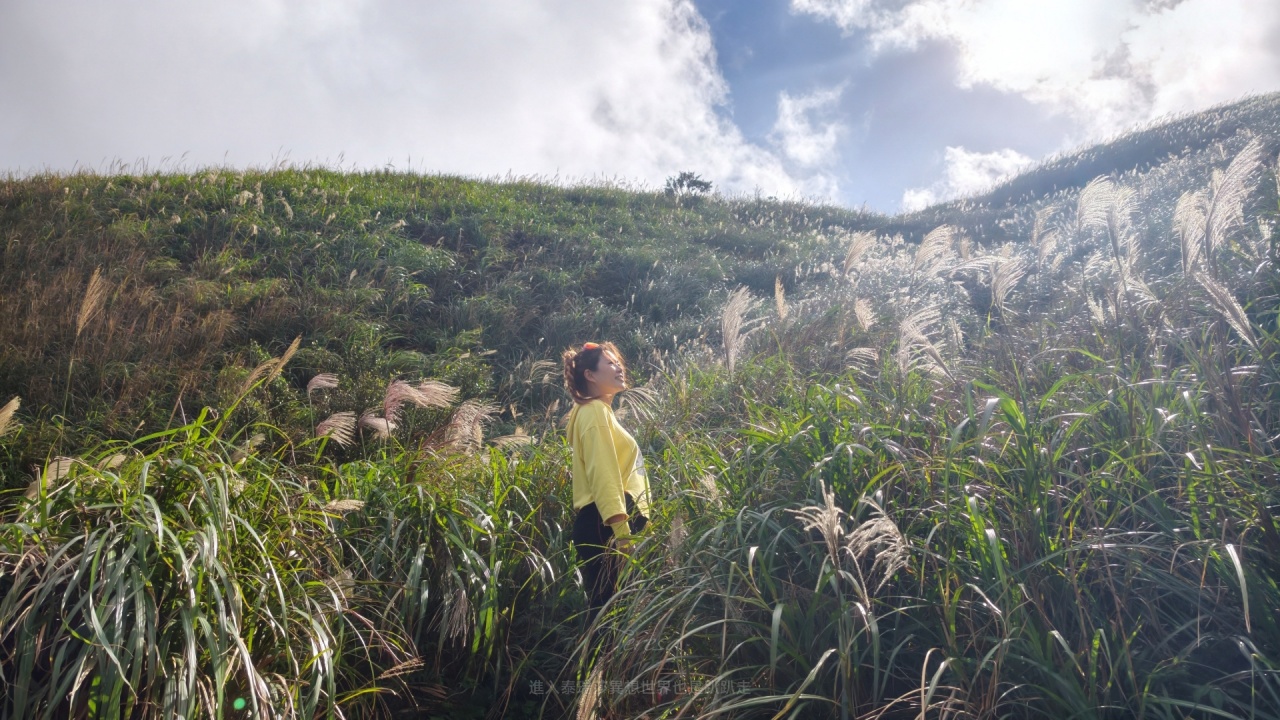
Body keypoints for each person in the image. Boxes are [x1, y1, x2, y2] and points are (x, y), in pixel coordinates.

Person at [562, 341, 651, 625]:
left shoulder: (595, 413)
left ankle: (601, 669)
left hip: (604, 522)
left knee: (611, 617)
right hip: (608, 524)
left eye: (618, 362)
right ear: (590, 375)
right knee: (614, 621)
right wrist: (623, 536)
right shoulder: (594, 413)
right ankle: (601, 670)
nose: (619, 367)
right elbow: (605, 477)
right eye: (610, 363)